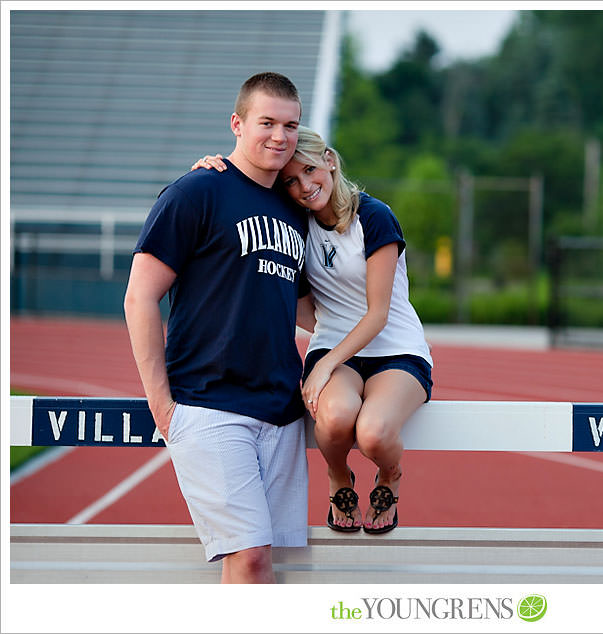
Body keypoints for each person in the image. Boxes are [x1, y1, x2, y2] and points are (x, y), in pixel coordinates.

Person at [193, 126, 433, 535]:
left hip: (396, 349)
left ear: (330, 162)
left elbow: (377, 315)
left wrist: (323, 367)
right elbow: (303, 307)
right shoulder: (295, 226)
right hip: (335, 350)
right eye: (291, 180)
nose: (304, 186)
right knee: (336, 418)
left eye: (309, 170)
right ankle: (339, 476)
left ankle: (389, 475)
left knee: (374, 434)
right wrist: (209, 175)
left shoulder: (374, 217)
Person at [124, 72, 311, 583]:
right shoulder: (197, 191)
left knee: (263, 562)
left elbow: (305, 310)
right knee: (248, 556)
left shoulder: (294, 210)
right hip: (209, 402)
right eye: (266, 122)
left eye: (290, 124)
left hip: (280, 410)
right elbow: (140, 296)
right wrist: (161, 404)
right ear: (237, 123)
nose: (279, 136)